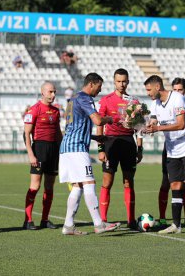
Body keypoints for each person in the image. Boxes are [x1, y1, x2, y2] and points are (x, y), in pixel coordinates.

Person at [59, 73, 120, 235]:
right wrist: (110, 119)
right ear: (91, 84)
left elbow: (74, 126)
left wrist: (94, 137)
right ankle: (99, 224)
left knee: (78, 186)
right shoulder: (85, 98)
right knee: (89, 182)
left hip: (67, 147)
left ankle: (68, 225)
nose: (99, 91)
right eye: (99, 87)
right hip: (77, 148)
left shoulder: (72, 100)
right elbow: (98, 121)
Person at [145, 75, 185, 235]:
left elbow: (181, 124)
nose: (148, 93)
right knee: (175, 186)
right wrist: (141, 126)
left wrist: (157, 129)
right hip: (172, 150)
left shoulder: (177, 98)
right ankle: (176, 225)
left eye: (149, 90)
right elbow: (152, 121)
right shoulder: (155, 104)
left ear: (157, 87)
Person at [97, 68, 143, 229]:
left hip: (129, 144)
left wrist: (140, 148)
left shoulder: (134, 102)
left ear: (128, 81)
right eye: (118, 81)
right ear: (114, 81)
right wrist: (100, 148)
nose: (121, 84)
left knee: (128, 182)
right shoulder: (106, 100)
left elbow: (139, 127)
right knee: (107, 181)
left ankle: (131, 220)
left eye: (124, 81)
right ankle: (102, 219)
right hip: (111, 143)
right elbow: (100, 124)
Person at [156, 77, 185, 229]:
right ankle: (162, 217)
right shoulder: (165, 104)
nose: (178, 92)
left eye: (180, 89)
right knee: (166, 182)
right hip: (171, 148)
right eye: (175, 89)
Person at [23, 82, 62, 230]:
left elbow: (58, 132)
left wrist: (63, 149)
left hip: (53, 149)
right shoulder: (34, 109)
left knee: (49, 186)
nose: (53, 95)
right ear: (43, 93)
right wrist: (31, 154)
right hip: (39, 148)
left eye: (54, 92)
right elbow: (26, 133)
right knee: (35, 185)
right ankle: (28, 220)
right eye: (50, 92)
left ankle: (45, 220)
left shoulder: (56, 111)